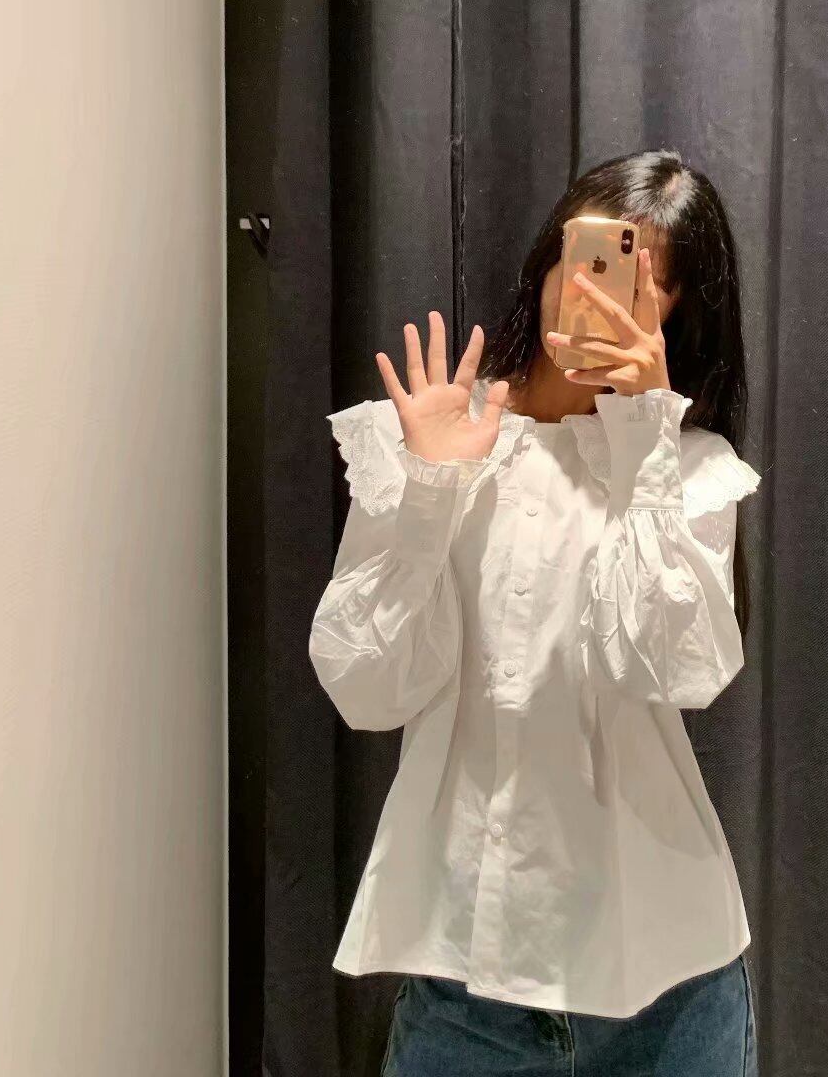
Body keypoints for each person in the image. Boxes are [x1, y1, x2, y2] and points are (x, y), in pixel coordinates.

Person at [309, 149, 762, 1076]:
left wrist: (645, 438)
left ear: (679, 310)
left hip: (667, 987)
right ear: (552, 255)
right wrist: (430, 490)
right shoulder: (429, 434)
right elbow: (367, 690)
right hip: (465, 993)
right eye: (588, 255)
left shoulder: (689, 469)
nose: (593, 293)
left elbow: (676, 671)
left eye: (641, 279)